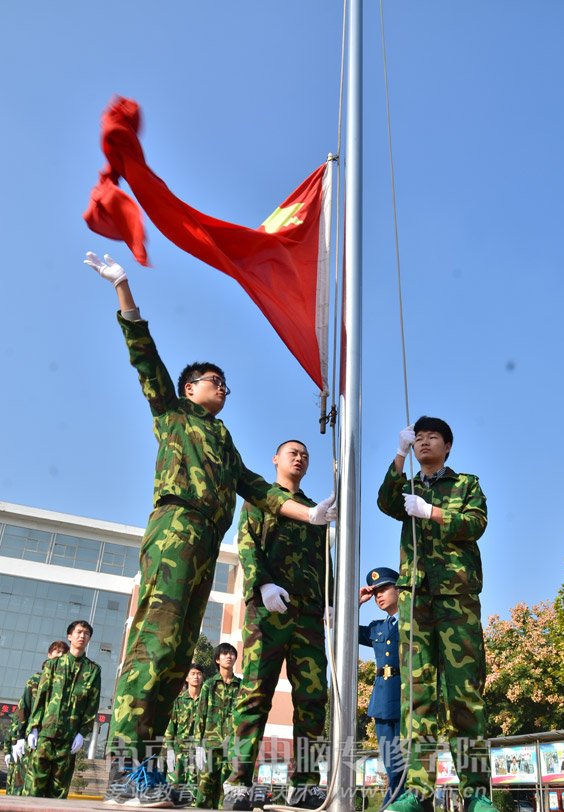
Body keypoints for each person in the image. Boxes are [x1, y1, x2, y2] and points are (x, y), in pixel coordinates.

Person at [83, 252, 336, 806]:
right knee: (153, 646)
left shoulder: (223, 442)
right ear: (190, 387)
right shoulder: (171, 415)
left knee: (177, 659)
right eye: (213, 381)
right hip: (176, 531)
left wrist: (314, 515)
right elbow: (144, 358)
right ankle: (125, 770)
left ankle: (145, 770)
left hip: (204, 546)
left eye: (224, 383)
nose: (222, 388)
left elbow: (259, 489)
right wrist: (123, 288)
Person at [377, 416, 495, 812]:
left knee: (464, 695)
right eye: (419, 437)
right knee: (418, 696)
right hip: (416, 598)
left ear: (447, 447)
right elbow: (384, 502)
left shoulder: (466, 484)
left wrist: (433, 512)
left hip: (456, 597)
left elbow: (476, 523)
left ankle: (477, 792)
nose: (425, 442)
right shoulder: (407, 487)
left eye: (433, 437)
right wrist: (398, 454)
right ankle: (417, 791)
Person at [223, 439, 333, 811]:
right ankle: (238, 782)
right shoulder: (259, 498)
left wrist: (330, 600)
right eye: (293, 453)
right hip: (267, 613)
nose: (300, 458)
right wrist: (262, 583)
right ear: (276, 459)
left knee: (312, 700)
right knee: (255, 694)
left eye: (305, 455)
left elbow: (325, 561)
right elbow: (248, 545)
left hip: (309, 616)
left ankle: (303, 784)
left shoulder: (314, 510)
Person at [22, 621, 101, 799]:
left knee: (58, 792)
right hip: (45, 734)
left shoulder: (93, 670)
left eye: (87, 633)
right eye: (79, 632)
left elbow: (92, 704)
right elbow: (40, 698)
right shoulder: (53, 666)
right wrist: (33, 727)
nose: (82, 636)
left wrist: (83, 732)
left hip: (69, 738)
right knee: (34, 786)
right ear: (69, 636)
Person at [359, 566, 404, 804]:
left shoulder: (414, 620)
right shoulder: (378, 628)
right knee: (391, 764)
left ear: (399, 588)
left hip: (408, 698)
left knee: (406, 762)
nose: (378, 595)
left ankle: (395, 804)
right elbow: (343, 627)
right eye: (375, 592)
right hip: (382, 702)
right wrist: (355, 601)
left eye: (384, 588)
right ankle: (393, 803)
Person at [9, 640, 69, 795]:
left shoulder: (68, 685)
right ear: (49, 655)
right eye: (57, 652)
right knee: (25, 786)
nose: (60, 656)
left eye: (64, 653)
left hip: (57, 743)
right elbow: (23, 709)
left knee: (53, 790)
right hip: (33, 740)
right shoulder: (36, 680)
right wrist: (19, 738)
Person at [195, 643, 241, 809]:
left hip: (232, 746)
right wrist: (197, 745)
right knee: (204, 788)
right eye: (224, 654)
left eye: (232, 654)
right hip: (210, 744)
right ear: (217, 659)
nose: (229, 656)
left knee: (226, 790)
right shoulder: (209, 685)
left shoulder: (241, 687)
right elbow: (201, 715)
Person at [164, 664, 205, 801]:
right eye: (192, 673)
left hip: (198, 750)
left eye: (199, 674)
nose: (196, 676)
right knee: (173, 787)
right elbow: (170, 727)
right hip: (178, 751)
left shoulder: (206, 702)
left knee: (194, 788)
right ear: (186, 678)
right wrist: (169, 749)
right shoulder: (178, 700)